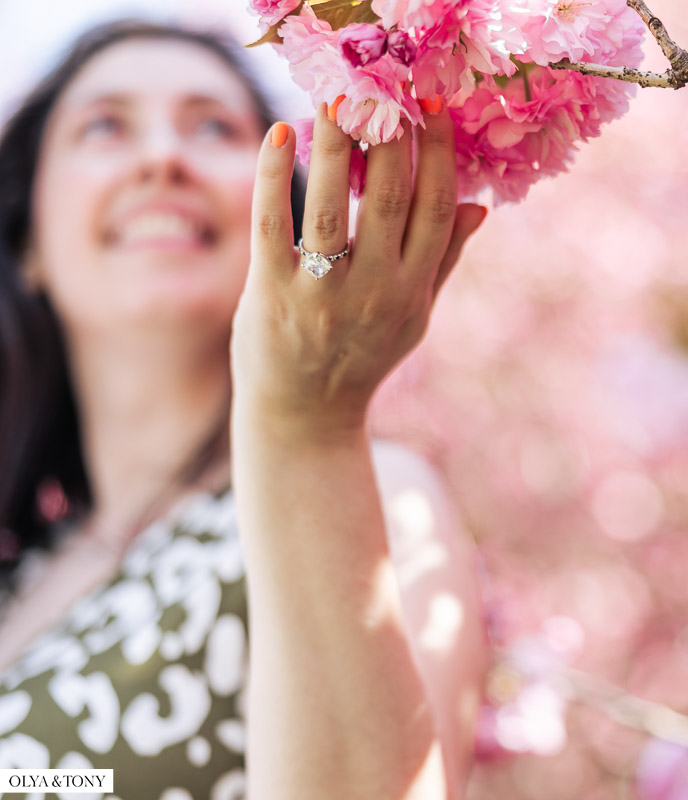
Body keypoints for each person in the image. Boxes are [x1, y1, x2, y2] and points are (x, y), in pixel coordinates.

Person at [0, 17, 492, 799]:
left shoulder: (381, 497)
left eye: (215, 126)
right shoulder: (22, 571)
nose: (163, 158)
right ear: (27, 241)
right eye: (104, 126)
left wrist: (312, 430)